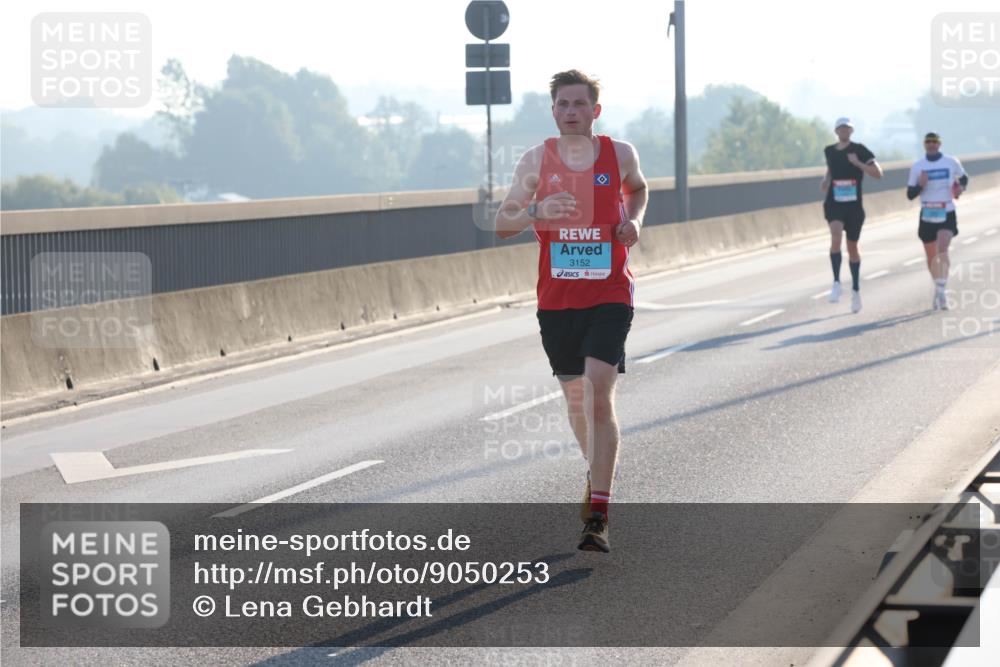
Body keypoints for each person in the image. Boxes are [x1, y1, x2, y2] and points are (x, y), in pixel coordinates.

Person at [495, 69, 648, 552]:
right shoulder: (536, 159)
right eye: (563, 104)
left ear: (595, 111)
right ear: (554, 110)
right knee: (577, 401)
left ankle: (598, 514)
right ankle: (596, 471)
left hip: (610, 295)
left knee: (600, 394)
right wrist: (538, 212)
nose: (571, 112)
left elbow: (638, 190)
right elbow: (502, 223)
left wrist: (634, 223)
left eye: (580, 104)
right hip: (557, 301)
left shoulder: (619, 154)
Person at [820, 117, 883, 313]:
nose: (844, 131)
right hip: (834, 202)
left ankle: (855, 290)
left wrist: (858, 163)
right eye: (841, 128)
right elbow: (831, 168)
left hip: (854, 206)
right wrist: (825, 180)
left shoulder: (860, 150)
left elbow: (878, 173)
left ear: (851, 131)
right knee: (835, 234)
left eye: (847, 128)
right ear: (836, 131)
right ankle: (837, 282)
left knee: (853, 248)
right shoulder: (829, 151)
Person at [907, 132, 969, 310]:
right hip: (927, 212)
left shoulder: (951, 162)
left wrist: (959, 189)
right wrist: (921, 185)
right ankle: (938, 285)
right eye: (928, 142)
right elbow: (910, 194)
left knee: (942, 249)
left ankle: (942, 291)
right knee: (931, 256)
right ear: (924, 145)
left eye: (935, 142)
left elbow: (964, 178)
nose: (932, 145)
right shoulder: (918, 167)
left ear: (939, 144)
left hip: (946, 210)